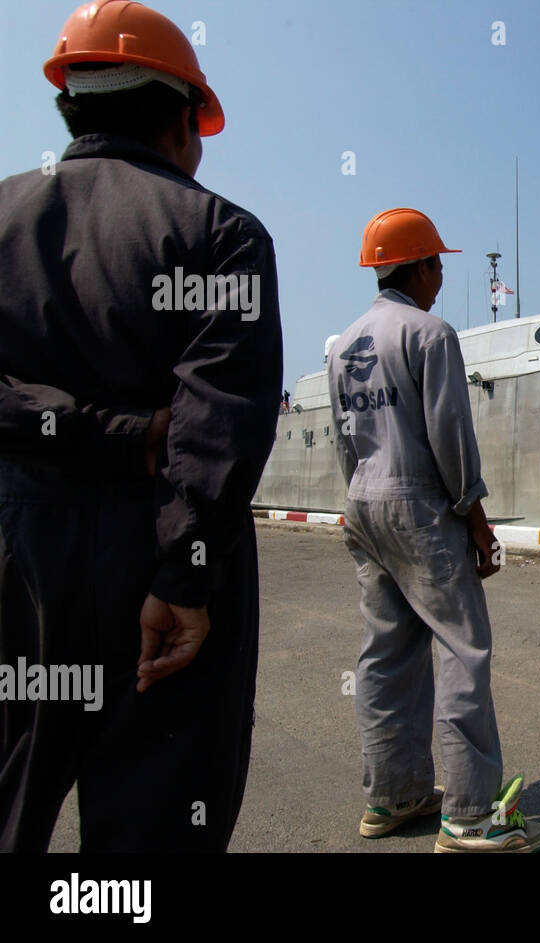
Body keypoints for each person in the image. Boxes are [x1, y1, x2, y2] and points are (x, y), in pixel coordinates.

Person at [0, 0, 282, 851]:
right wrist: (184, 578)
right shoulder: (221, 234)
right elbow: (219, 422)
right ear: (183, 119)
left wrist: (92, 427)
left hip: (15, 561)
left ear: (70, 103)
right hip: (160, 571)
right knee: (152, 836)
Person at [328, 208, 540, 852]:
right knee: (462, 649)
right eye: (439, 265)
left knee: (386, 653)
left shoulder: (343, 346)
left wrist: (358, 502)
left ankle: (392, 796)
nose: (442, 278)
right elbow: (451, 437)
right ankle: (472, 817)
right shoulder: (430, 335)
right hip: (421, 507)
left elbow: (347, 442)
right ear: (420, 266)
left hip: (363, 504)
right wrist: (476, 520)